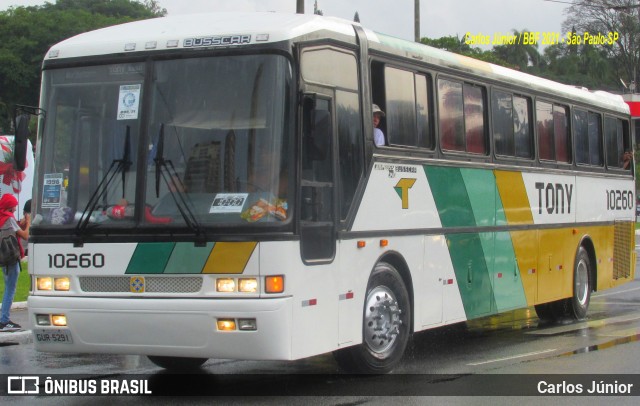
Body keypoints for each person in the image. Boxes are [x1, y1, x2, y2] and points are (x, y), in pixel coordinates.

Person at [0, 194, 30, 332]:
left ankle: (3, 319)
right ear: (10, 206)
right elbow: (25, 235)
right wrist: (28, 221)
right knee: (10, 290)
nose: (15, 208)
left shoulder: (2, 217)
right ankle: (4, 320)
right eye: (14, 206)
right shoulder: (9, 218)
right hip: (12, 259)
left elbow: (12, 229)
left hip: (4, 259)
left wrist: (19, 223)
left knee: (8, 288)